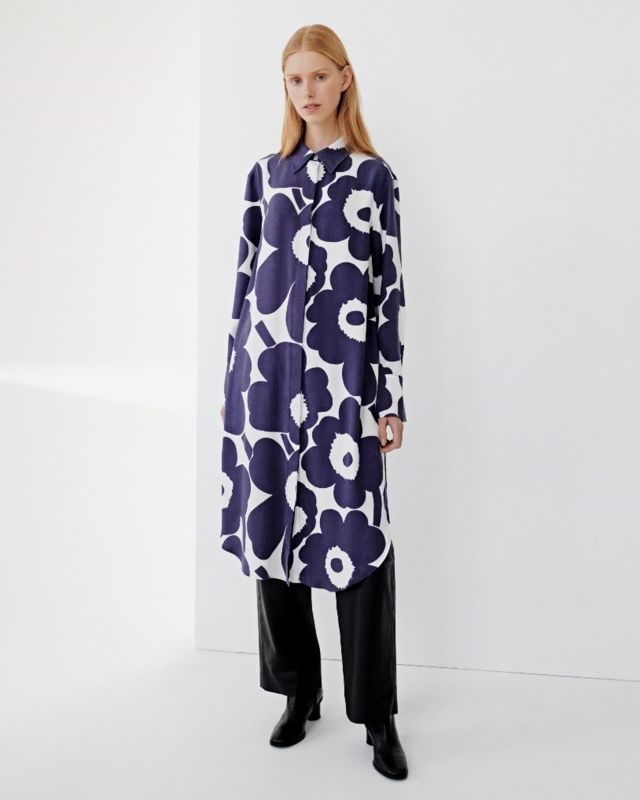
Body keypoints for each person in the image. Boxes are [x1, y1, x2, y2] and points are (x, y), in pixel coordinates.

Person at [220, 23, 408, 780]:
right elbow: (243, 287)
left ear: (344, 79)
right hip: (265, 389)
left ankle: (377, 715)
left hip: (343, 393)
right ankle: (298, 692)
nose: (307, 90)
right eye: (294, 79)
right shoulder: (265, 177)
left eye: (319, 76)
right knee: (274, 535)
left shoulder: (373, 178)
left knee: (358, 544)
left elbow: (388, 293)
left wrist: (389, 397)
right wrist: (233, 385)